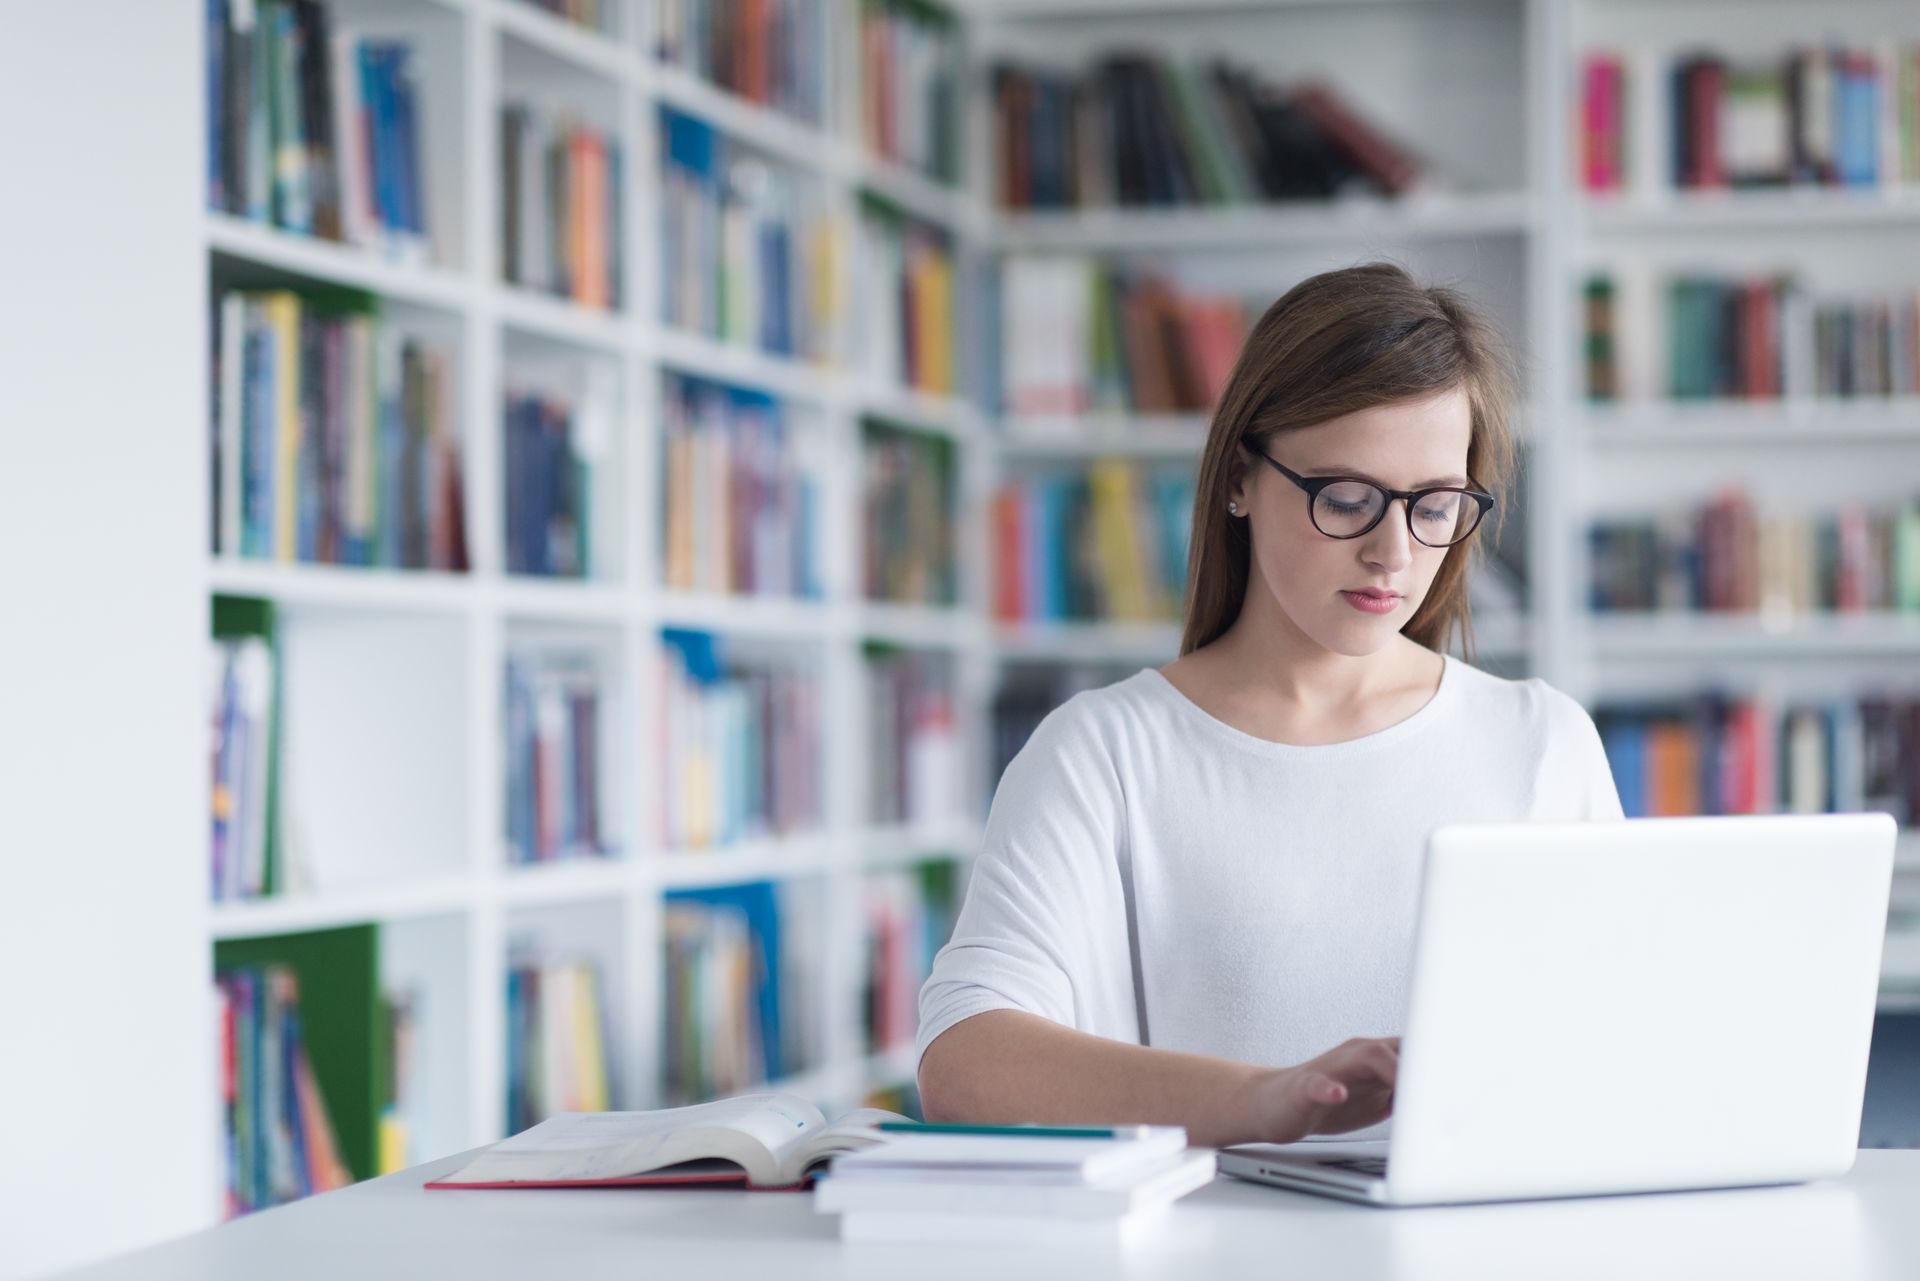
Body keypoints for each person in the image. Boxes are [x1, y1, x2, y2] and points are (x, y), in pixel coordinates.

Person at [915, 262, 1623, 1149]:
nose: (1393, 553)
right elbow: (964, 1063)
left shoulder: (1540, 741)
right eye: (1347, 497)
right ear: (1242, 479)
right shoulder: (1104, 752)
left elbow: (1610, 1055)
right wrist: (1269, 1097)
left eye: (1435, 505)